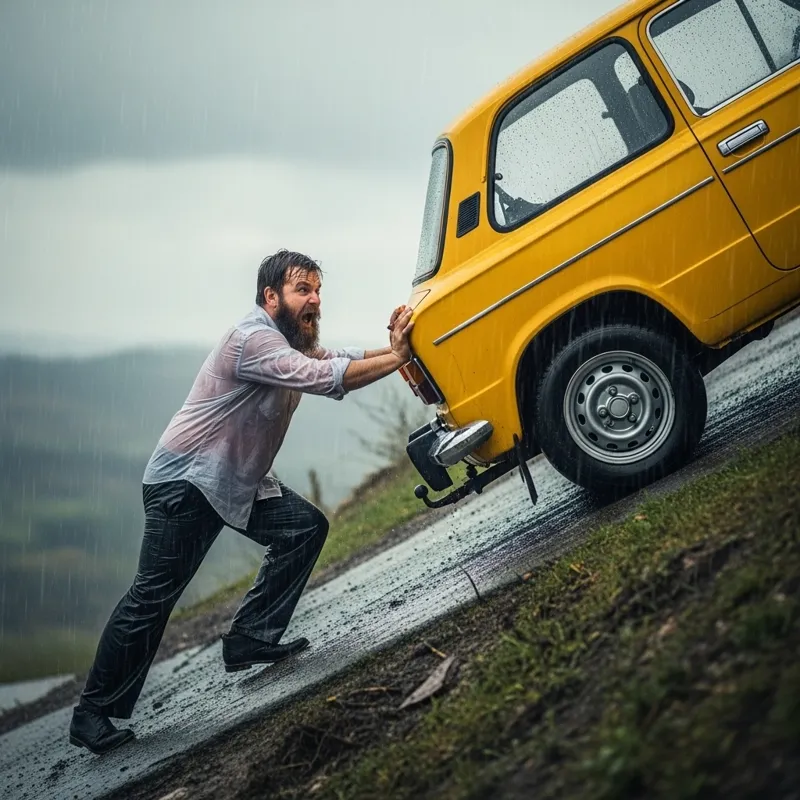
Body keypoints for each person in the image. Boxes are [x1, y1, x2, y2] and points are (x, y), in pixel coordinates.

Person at [68, 249, 415, 755]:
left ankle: (251, 636)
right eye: (303, 290)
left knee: (302, 528)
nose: (314, 299)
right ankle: (91, 714)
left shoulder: (289, 342)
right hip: (185, 484)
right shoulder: (252, 340)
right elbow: (324, 379)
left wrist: (393, 349)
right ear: (270, 296)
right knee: (153, 597)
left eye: (318, 290)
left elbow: (335, 358)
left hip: (234, 480)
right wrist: (400, 359)